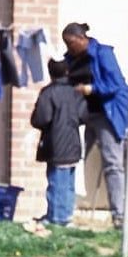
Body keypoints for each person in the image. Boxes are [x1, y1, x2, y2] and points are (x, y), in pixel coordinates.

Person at [62, 22, 128, 230]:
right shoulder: (70, 59)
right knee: (71, 157)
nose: (69, 47)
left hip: (106, 114)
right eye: (66, 43)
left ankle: (119, 216)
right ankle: (64, 211)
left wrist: (90, 89)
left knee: (112, 163)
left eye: (71, 43)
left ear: (82, 39)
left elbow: (116, 84)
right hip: (83, 114)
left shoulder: (103, 54)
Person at [31, 58, 90, 226]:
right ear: (67, 71)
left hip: (55, 144)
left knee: (56, 182)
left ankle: (56, 217)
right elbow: (83, 116)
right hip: (73, 143)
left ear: (50, 72)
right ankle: (66, 215)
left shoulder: (48, 93)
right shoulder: (76, 93)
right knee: (69, 183)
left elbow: (41, 119)